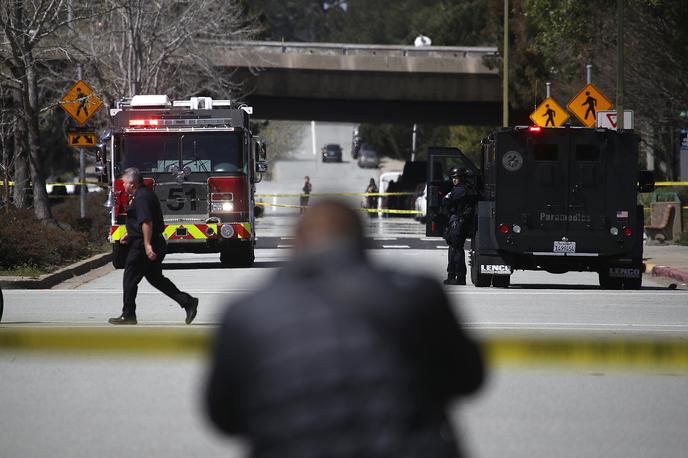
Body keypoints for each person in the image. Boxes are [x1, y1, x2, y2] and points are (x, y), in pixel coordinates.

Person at [205, 200, 484, 458]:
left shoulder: (247, 311)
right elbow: (469, 379)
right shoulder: (418, 293)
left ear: (294, 246)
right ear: (364, 244)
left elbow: (224, 416)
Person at [108, 167, 198, 325]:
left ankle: (128, 314)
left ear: (133, 183)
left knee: (130, 278)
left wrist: (147, 245)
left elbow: (147, 221)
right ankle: (187, 301)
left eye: (124, 182)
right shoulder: (143, 194)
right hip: (148, 240)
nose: (122, 185)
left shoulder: (141, 197)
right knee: (156, 278)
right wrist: (130, 233)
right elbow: (143, 221)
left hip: (143, 245)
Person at [442, 167, 478, 285]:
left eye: (456, 178)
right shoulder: (462, 189)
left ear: (461, 178)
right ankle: (452, 275)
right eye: (453, 178)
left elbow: (447, 200)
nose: (454, 180)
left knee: (456, 250)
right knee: (453, 249)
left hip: (459, 221)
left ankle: (460, 277)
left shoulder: (461, 190)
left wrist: (448, 197)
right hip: (456, 221)